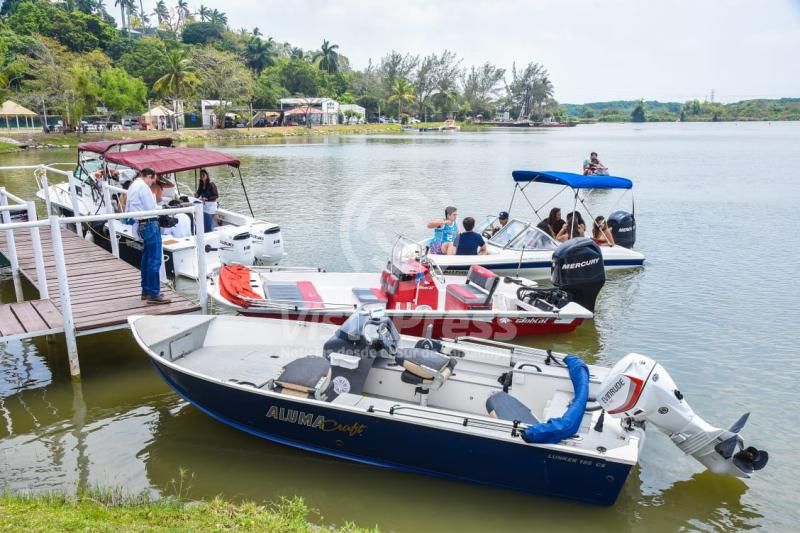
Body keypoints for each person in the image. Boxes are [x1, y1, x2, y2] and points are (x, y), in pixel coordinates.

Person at [125, 168, 170, 304]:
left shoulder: (133, 186)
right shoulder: (143, 187)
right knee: (154, 260)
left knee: (146, 259)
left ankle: (146, 290)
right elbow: (151, 207)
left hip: (141, 224)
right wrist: (164, 209)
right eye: (153, 180)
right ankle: (153, 294)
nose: (152, 183)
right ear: (149, 176)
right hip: (150, 223)